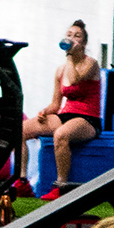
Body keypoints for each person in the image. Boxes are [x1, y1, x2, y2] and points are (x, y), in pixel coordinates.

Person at [14, 20, 102, 200]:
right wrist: (44, 112)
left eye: (77, 36)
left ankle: (61, 186)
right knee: (20, 130)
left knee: (61, 134)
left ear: (84, 43)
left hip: (87, 118)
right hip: (65, 115)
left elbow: (75, 79)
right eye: (69, 35)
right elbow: (55, 104)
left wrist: (70, 55)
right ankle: (22, 182)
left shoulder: (91, 63)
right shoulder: (60, 70)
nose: (72, 38)